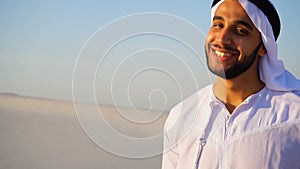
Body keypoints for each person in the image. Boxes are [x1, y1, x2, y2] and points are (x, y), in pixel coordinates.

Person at [162, 0, 300, 168]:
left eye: (240, 31)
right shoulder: (181, 116)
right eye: (218, 25)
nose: (222, 38)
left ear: (264, 47)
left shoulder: (294, 115)